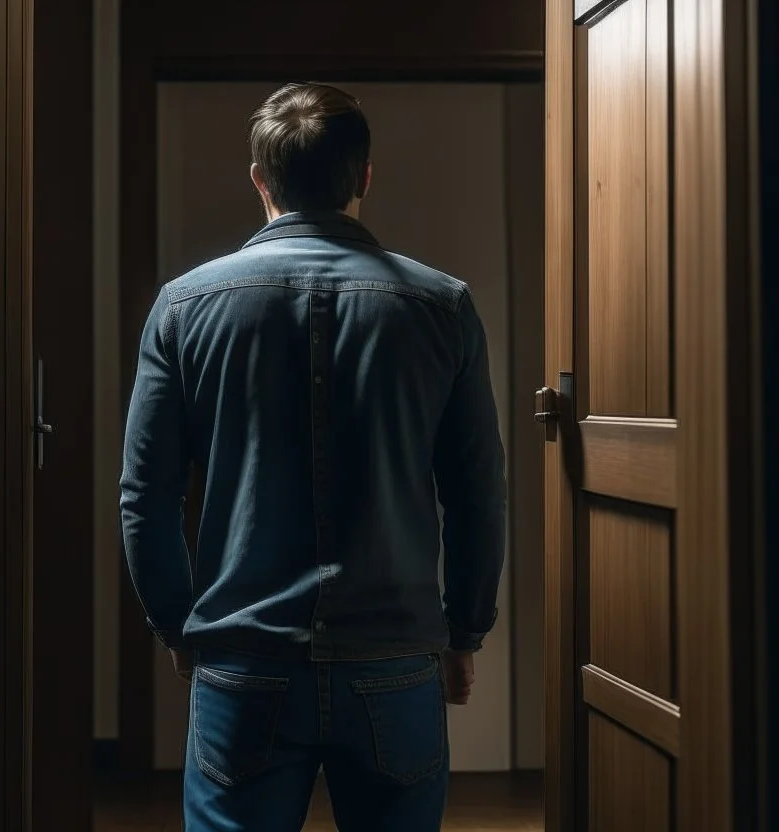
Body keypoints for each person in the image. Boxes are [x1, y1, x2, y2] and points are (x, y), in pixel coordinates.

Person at [120, 82, 507, 831]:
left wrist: (176, 623)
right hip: (394, 658)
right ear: (364, 176)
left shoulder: (183, 305)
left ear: (261, 180)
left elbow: (147, 493)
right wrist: (466, 630)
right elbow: (477, 493)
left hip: (243, 658)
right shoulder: (442, 305)